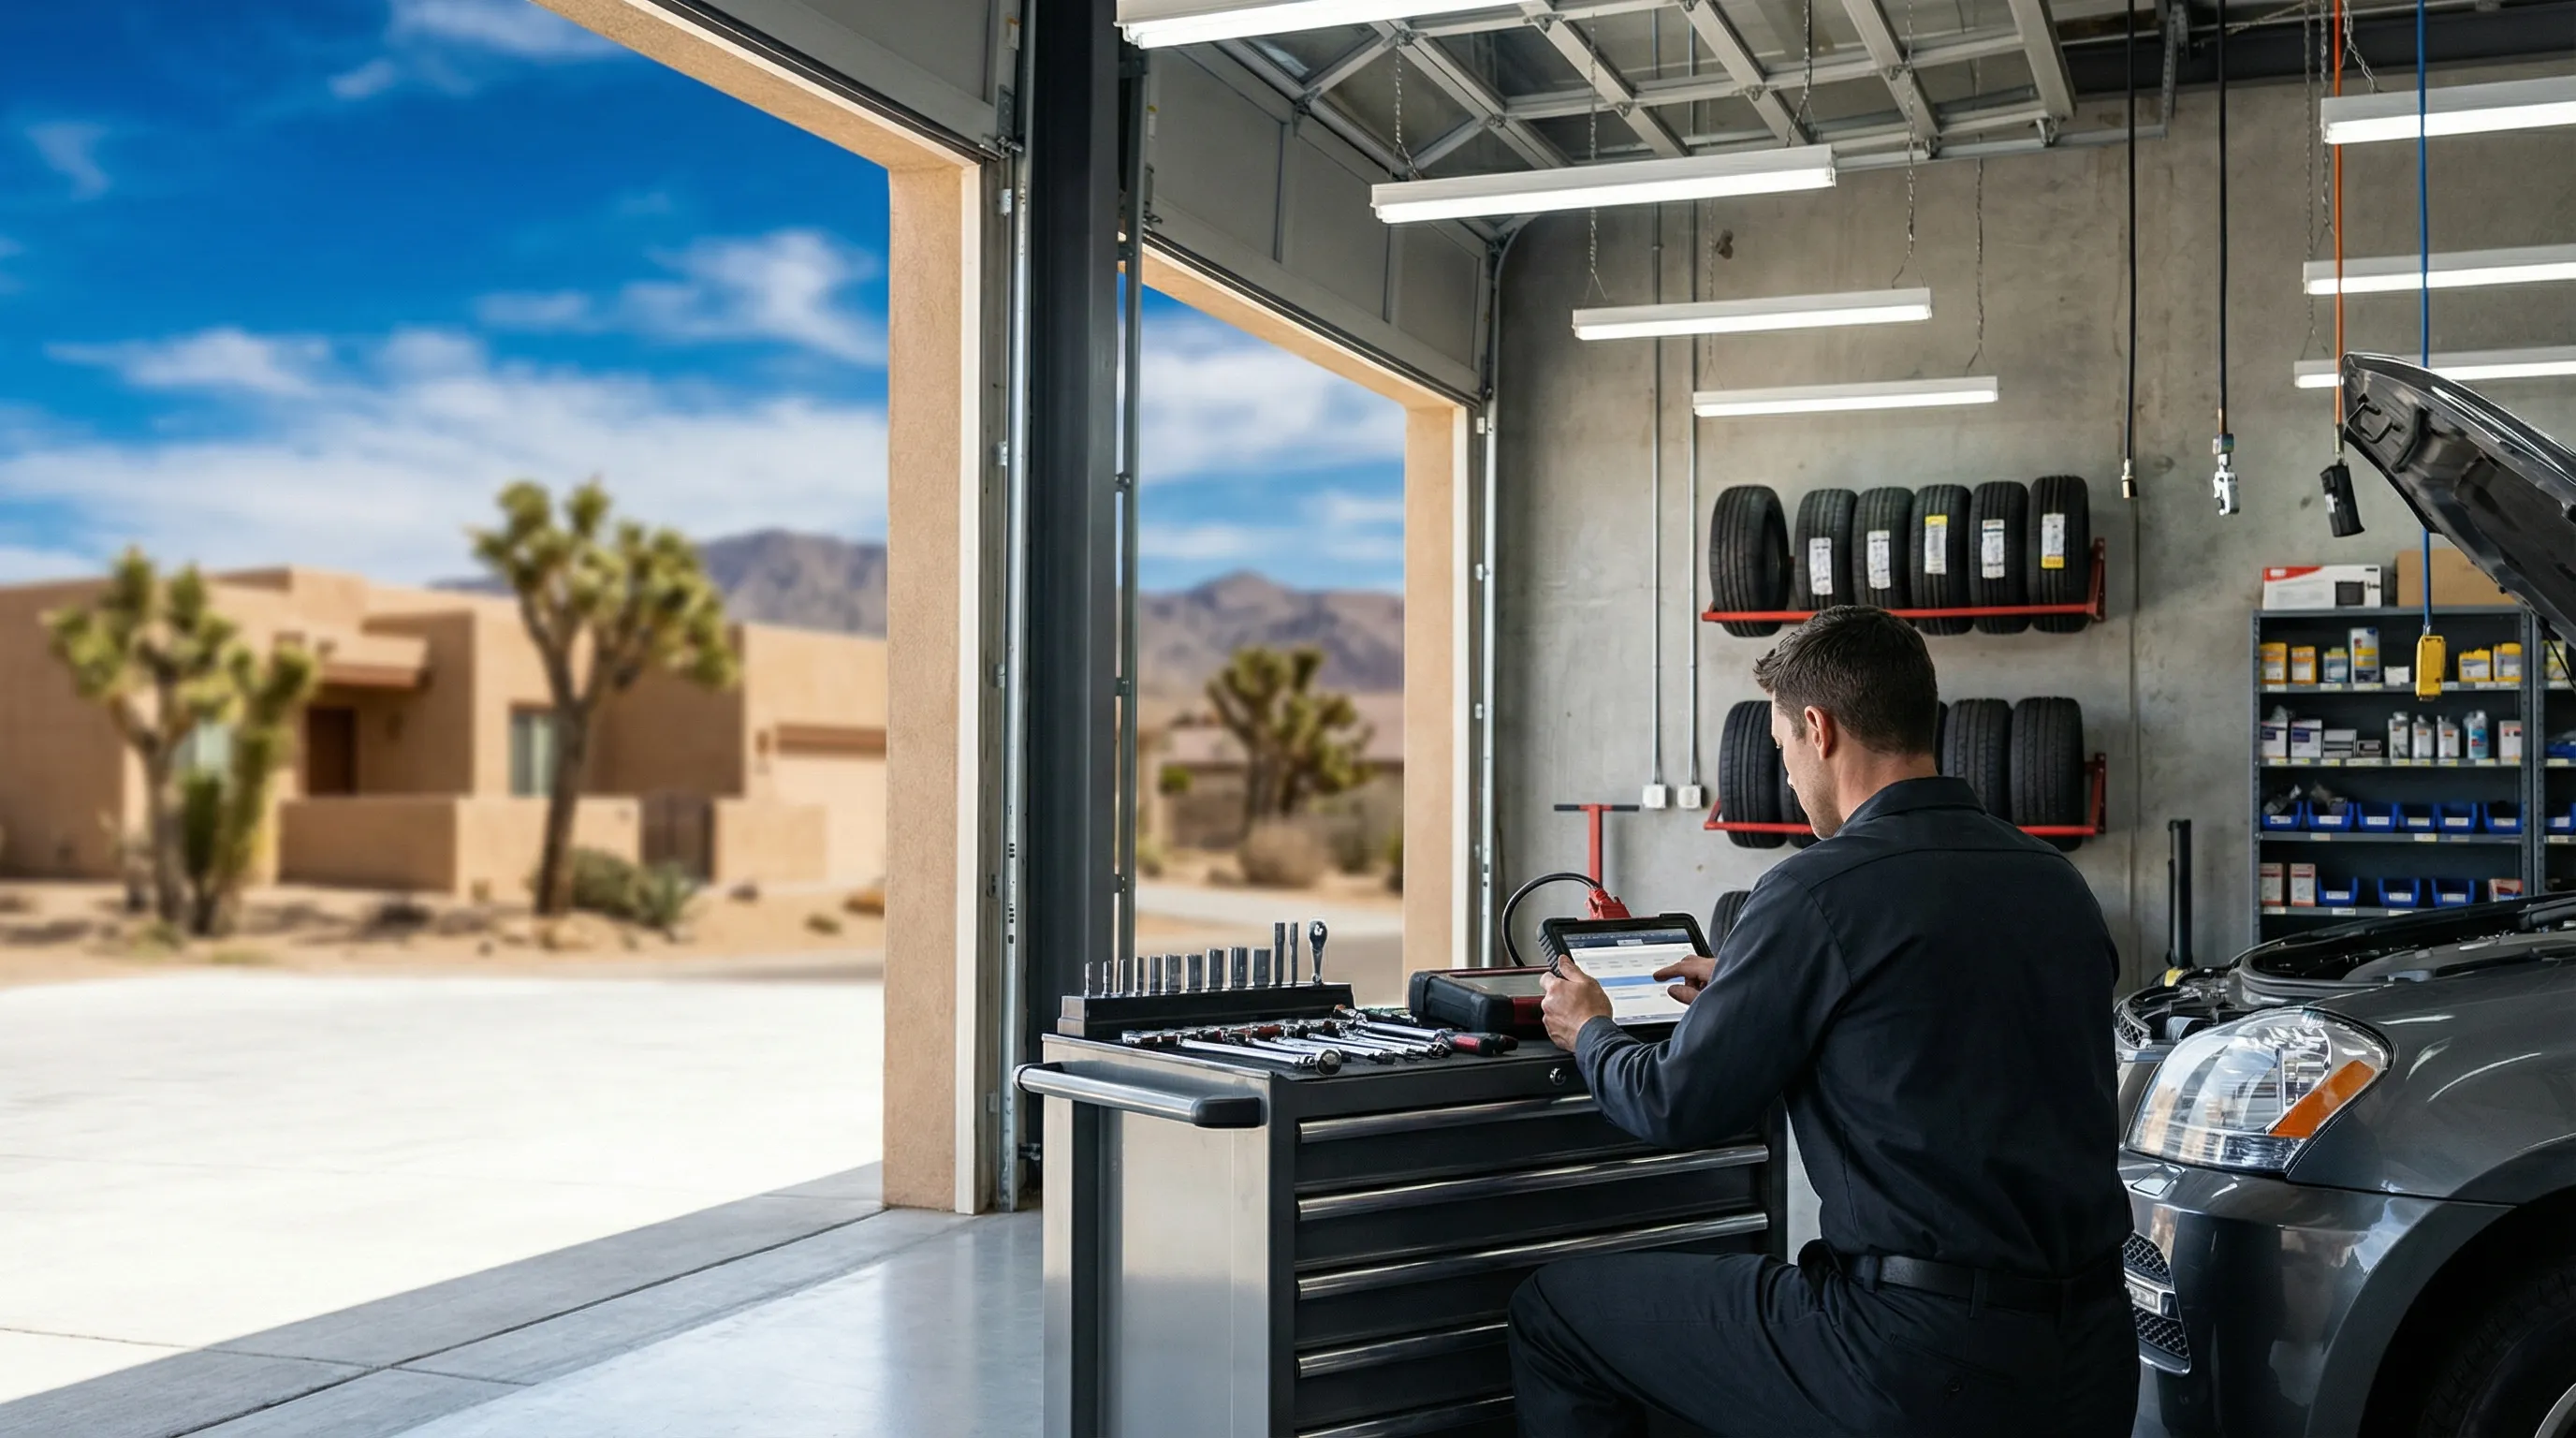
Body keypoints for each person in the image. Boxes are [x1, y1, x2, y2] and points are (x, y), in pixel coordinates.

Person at [1512, 605, 2136, 1438]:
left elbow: (1673, 1104)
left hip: (1913, 1358)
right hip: (2090, 1356)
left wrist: (1589, 1028)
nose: (1790, 774)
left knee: (1555, 1311)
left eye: (1782, 750)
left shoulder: (1817, 888)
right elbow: (1939, 1023)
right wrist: (1753, 989)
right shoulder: (2051, 879)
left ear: (1819, 729)